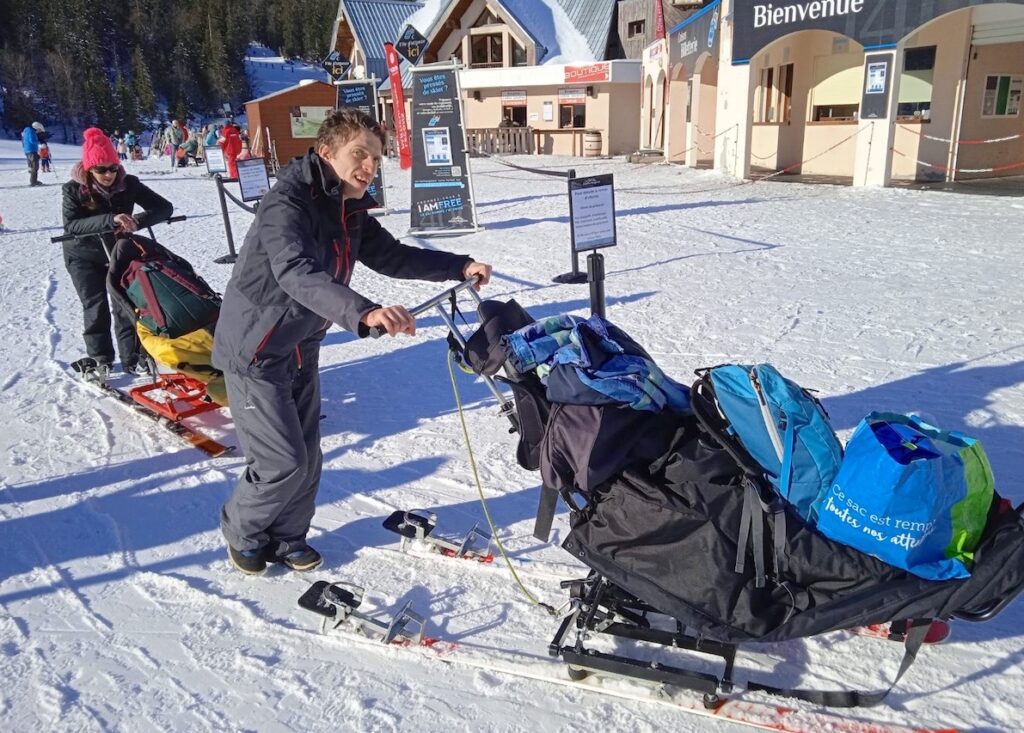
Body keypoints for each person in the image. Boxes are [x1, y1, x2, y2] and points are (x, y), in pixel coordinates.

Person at [212, 108, 493, 575]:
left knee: (308, 455)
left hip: (302, 344)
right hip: (256, 349)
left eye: (377, 159)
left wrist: (458, 265)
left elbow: (392, 256)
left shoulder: (348, 207)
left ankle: (287, 537)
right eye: (359, 154)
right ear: (326, 152)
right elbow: (295, 272)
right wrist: (363, 311)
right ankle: (243, 531)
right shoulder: (287, 205)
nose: (369, 166)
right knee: (281, 460)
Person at [61, 127, 174, 378]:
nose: (109, 174)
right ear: (89, 169)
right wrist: (110, 220)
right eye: (101, 169)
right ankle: (100, 357)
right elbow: (71, 225)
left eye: (112, 167)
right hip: (83, 255)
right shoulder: (73, 190)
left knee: (126, 304)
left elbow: (164, 207)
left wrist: (138, 220)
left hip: (116, 253)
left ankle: (132, 356)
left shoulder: (129, 183)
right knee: (95, 305)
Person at [22, 121, 45, 186]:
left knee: (32, 166)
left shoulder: (27, 131)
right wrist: (40, 144)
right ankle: (33, 181)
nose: (38, 132)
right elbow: (32, 140)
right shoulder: (31, 131)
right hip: (31, 150)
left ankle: (33, 180)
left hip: (28, 150)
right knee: (35, 166)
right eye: (39, 130)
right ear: (37, 127)